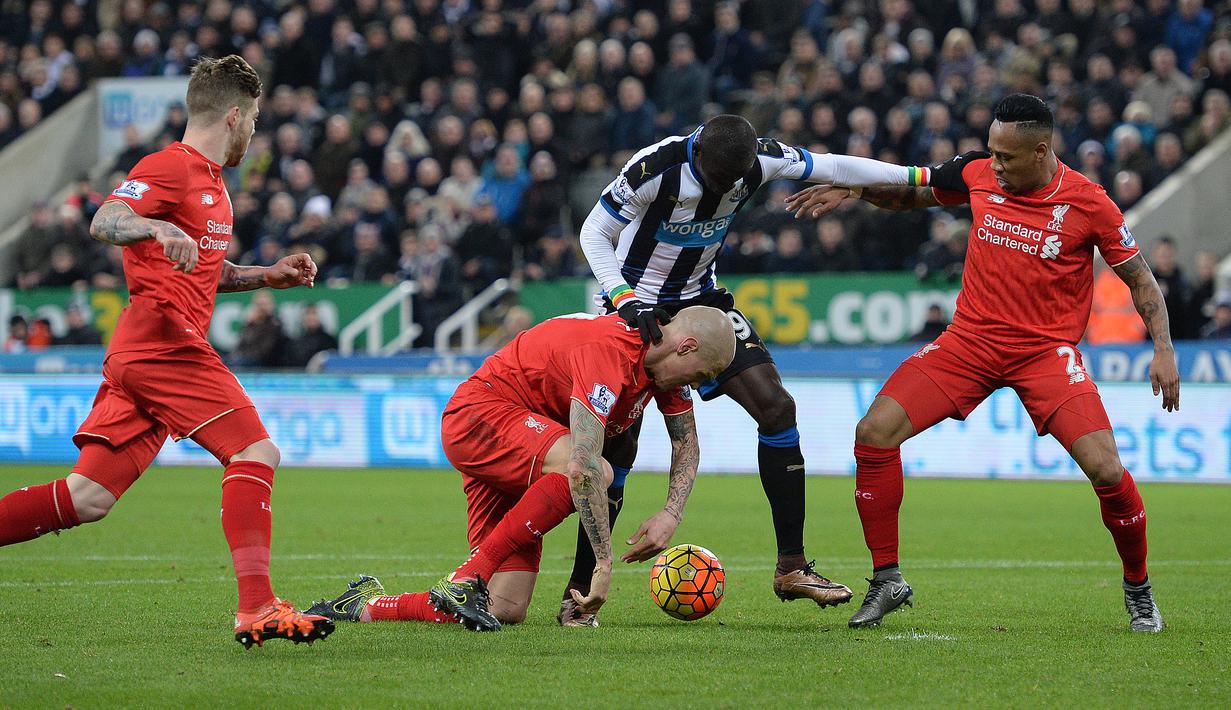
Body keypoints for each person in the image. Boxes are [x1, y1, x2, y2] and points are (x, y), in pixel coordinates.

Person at [786, 94, 1178, 632]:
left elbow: (1139, 279)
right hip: (968, 342)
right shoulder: (977, 173)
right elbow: (911, 197)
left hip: (1045, 353)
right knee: (874, 432)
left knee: (1107, 469)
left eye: (1005, 157)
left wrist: (1163, 349)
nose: (993, 164)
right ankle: (887, 579)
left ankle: (1138, 587)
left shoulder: (1091, 204)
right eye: (990, 152)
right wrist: (855, 189)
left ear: (1041, 151)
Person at [0, 56, 334, 649]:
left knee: (88, 498)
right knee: (256, 450)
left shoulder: (213, 187)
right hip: (163, 342)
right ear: (234, 116)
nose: (255, 133)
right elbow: (106, 219)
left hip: (148, 352)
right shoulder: (170, 166)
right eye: (254, 119)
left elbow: (208, 270)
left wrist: (267, 276)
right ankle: (256, 607)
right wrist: (155, 228)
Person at [572, 113, 931, 626]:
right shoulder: (657, 166)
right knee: (619, 447)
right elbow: (593, 233)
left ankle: (792, 566)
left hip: (704, 304)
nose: (729, 190)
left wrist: (921, 176)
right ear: (699, 158)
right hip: (638, 307)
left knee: (777, 407)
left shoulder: (758, 159)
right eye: (720, 183)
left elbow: (833, 164)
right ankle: (580, 592)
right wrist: (625, 300)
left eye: (737, 182)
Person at [306, 307, 737, 631]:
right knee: (596, 471)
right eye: (704, 372)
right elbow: (583, 468)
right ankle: (464, 577)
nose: (700, 384)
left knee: (505, 609)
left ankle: (365, 604)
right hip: (483, 415)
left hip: (526, 448)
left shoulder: (662, 373)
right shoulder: (610, 350)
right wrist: (604, 566)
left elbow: (686, 443)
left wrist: (672, 512)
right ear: (686, 346)